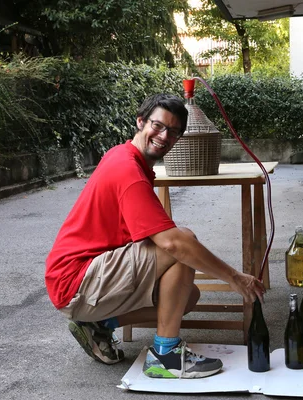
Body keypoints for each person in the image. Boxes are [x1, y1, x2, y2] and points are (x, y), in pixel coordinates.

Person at [45, 93, 265, 379]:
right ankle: (166, 356)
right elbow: (173, 243)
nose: (164, 136)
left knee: (186, 297)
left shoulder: (125, 156)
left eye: (174, 132)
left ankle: (100, 324)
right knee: (182, 244)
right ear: (140, 122)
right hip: (76, 280)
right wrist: (235, 278)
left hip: (84, 276)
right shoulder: (128, 170)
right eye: (158, 126)